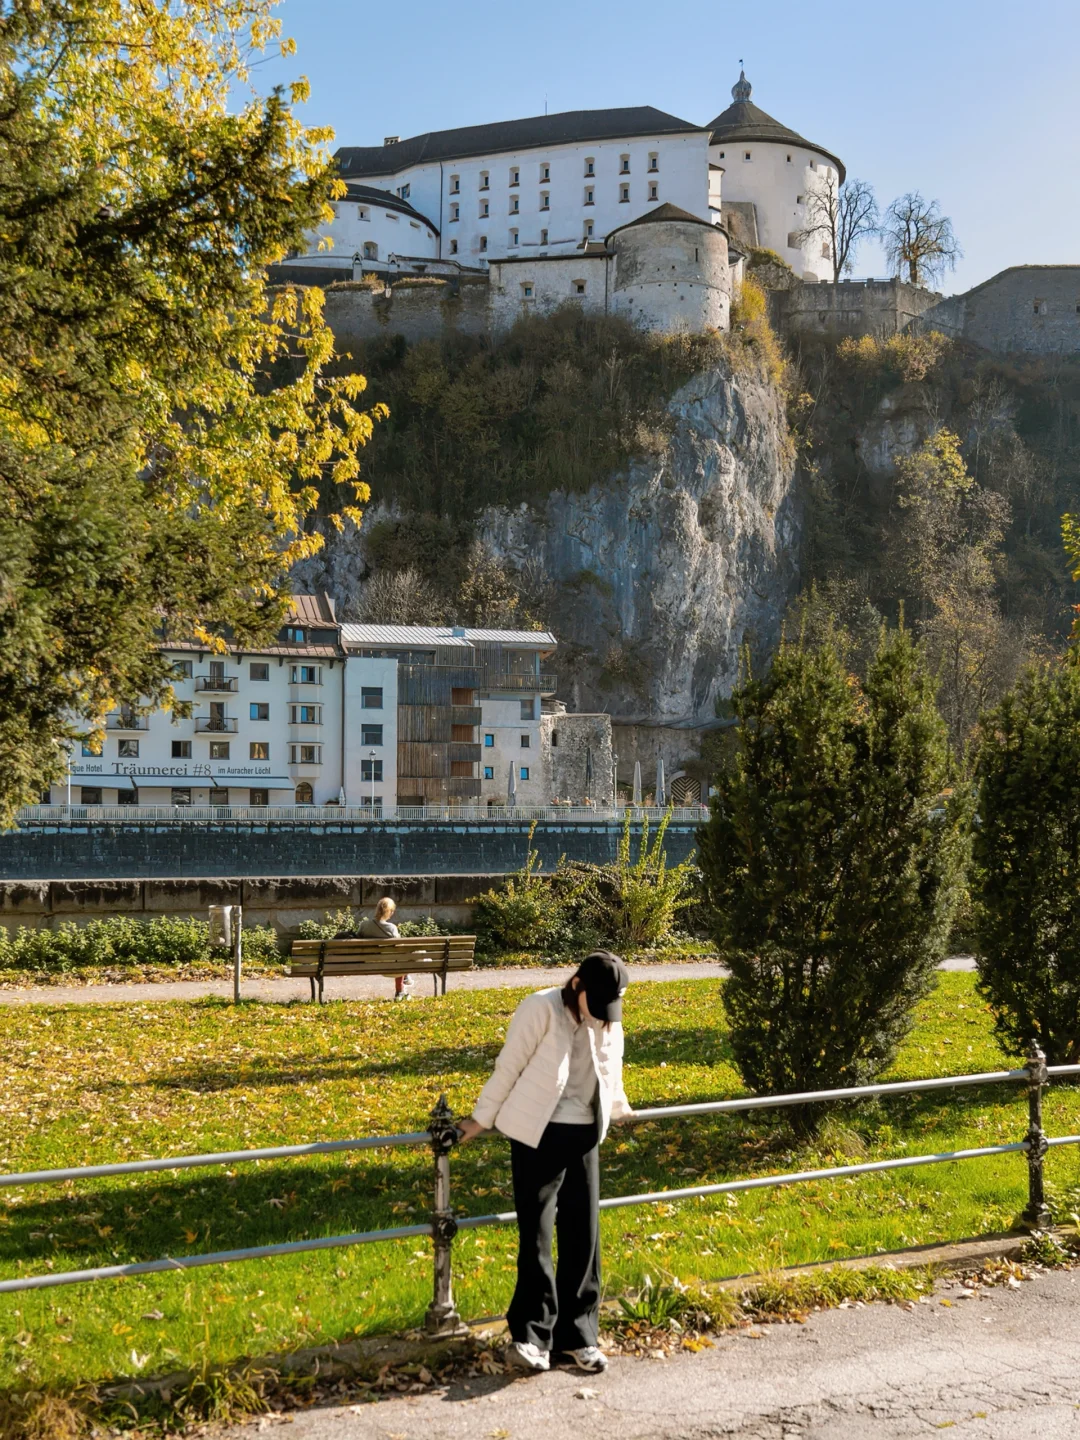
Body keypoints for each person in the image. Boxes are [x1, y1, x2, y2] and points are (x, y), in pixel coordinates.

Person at [457, 951, 631, 1375]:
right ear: (577, 986)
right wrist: (480, 1120)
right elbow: (509, 1067)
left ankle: (579, 1338)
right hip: (537, 1132)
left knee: (583, 1235)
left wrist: (620, 1106)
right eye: (600, 1002)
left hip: (586, 1133)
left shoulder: (607, 1013)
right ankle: (533, 1338)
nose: (606, 1016)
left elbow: (611, 1068)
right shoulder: (540, 1008)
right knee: (536, 1236)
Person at [358, 896, 412, 1000]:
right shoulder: (391, 928)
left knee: (397, 957)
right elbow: (399, 947)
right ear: (390, 912)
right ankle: (402, 985)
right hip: (390, 966)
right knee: (400, 957)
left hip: (369, 964)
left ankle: (403, 984)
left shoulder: (364, 925)